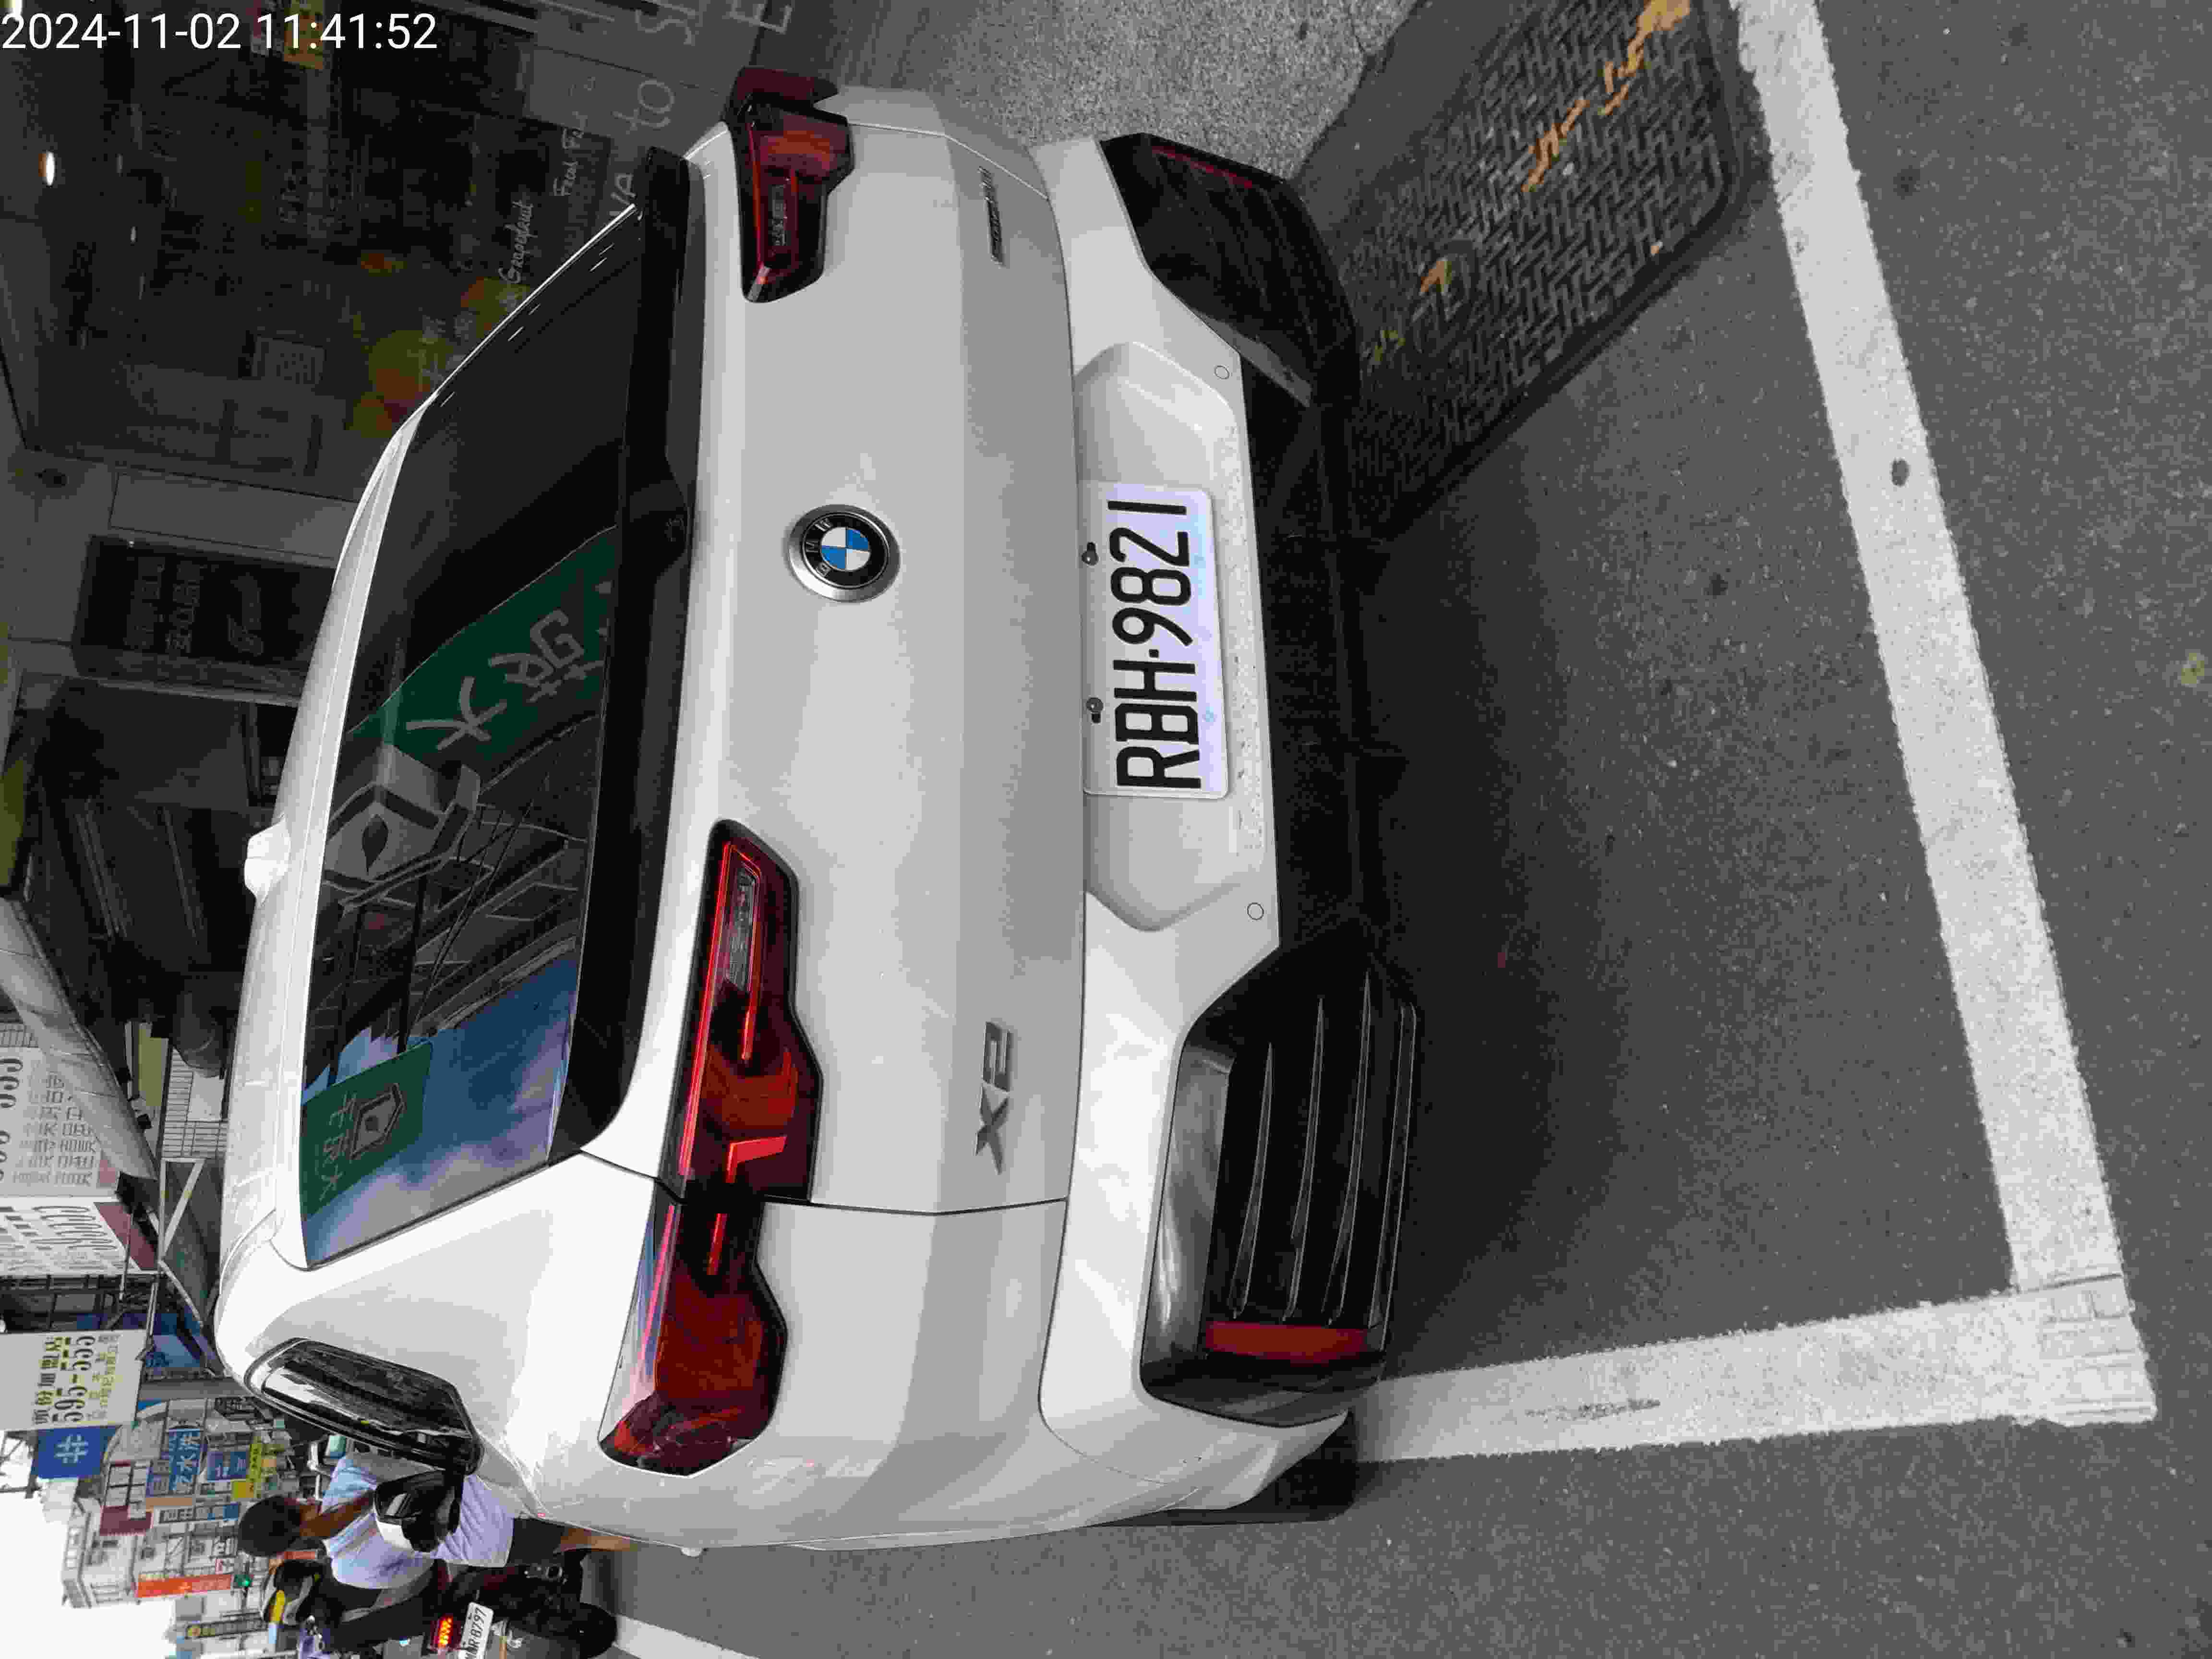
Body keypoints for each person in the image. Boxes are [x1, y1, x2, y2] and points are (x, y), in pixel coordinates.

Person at [233, 1448, 640, 1588]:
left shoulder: (347, 1571)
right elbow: (425, 1471)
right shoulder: (350, 1470)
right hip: (491, 1492)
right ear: (289, 1503)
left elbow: (418, 1571)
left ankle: (661, 1536)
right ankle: (656, 1505)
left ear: (291, 1547)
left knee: (586, 1537)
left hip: (488, 1544)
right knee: (590, 1494)